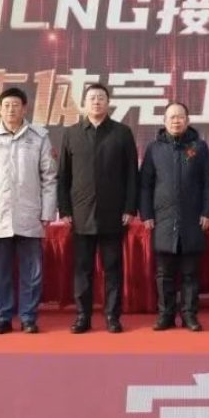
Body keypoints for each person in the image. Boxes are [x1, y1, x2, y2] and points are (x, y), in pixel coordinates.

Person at [0, 88, 57, 335]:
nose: (11, 109)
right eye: (6, 105)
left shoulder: (39, 137)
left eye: (16, 105)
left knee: (32, 271)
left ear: (24, 109)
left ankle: (28, 317)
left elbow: (49, 177)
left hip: (30, 214)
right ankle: (3, 317)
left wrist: (47, 212)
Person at [57, 83, 139, 334]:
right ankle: (83, 316)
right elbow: (63, 176)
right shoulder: (71, 134)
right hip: (80, 214)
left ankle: (113, 316)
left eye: (101, 98)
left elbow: (132, 174)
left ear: (108, 103)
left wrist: (130, 208)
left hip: (114, 213)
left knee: (112, 268)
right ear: (84, 103)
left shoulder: (122, 132)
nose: (96, 102)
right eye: (92, 98)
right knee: (83, 269)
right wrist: (65, 210)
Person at [139, 102, 209, 332]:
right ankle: (165, 315)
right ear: (164, 122)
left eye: (180, 117)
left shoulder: (199, 148)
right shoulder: (154, 149)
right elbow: (145, 185)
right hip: (163, 220)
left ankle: (190, 315)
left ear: (188, 121)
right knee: (164, 274)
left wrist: (207, 212)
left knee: (191, 273)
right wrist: (146, 214)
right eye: (171, 117)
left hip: (193, 220)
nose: (176, 121)